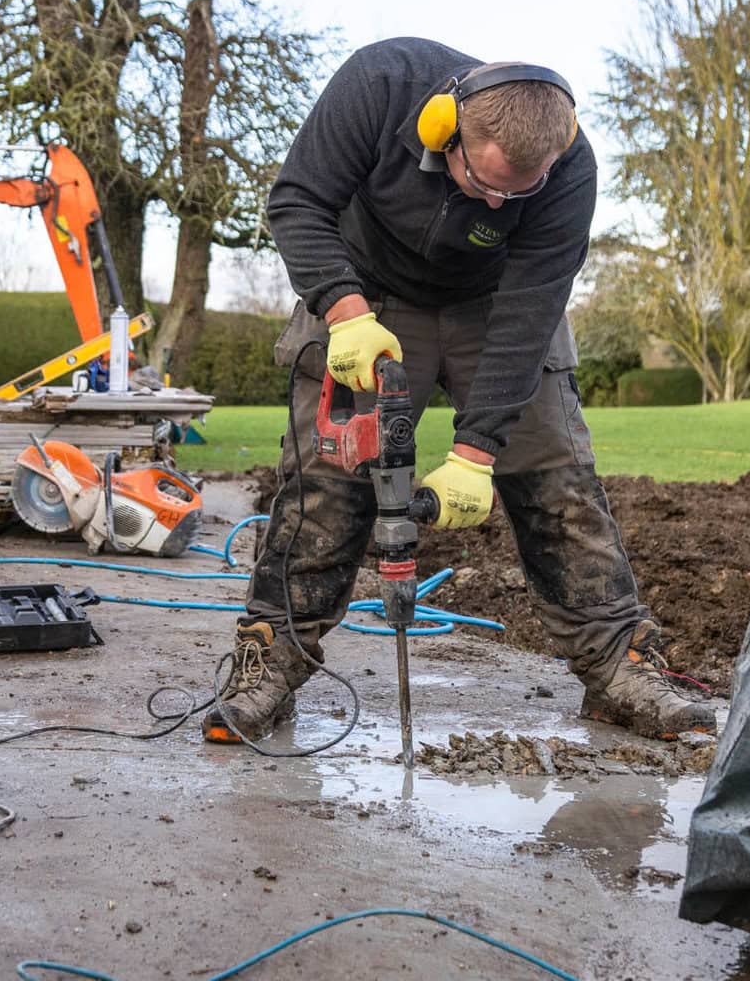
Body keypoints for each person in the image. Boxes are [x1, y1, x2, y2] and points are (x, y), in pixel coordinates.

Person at [202, 37, 715, 745]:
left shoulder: (569, 169)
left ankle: (619, 665)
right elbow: (297, 202)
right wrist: (344, 311)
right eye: (485, 181)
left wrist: (476, 451)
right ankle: (272, 661)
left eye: (517, 191)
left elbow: (532, 307)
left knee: (557, 479)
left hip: (493, 305)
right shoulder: (379, 85)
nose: (498, 201)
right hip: (369, 292)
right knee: (325, 481)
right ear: (443, 130)